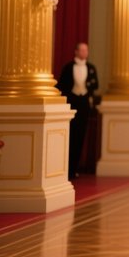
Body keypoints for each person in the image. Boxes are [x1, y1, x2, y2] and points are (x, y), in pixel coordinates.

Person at [56, 42, 100, 180]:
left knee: (80, 137)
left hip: (84, 105)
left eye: (86, 50)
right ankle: (65, 169)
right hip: (71, 104)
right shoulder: (68, 68)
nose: (84, 52)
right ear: (76, 52)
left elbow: (95, 84)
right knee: (69, 136)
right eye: (81, 50)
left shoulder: (91, 68)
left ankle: (74, 168)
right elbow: (61, 85)